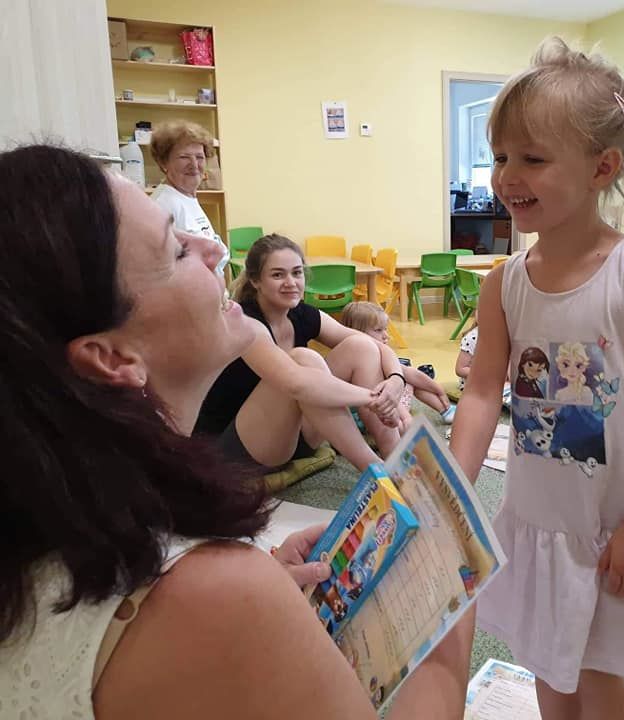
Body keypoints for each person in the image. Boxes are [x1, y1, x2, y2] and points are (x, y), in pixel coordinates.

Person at [0, 145, 474, 719]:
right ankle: (384, 471)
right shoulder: (211, 588)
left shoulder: (56, 526)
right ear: (112, 358)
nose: (213, 249)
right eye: (177, 250)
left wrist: (397, 374)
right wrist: (446, 601)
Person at [448, 38, 624, 720]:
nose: (508, 176)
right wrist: (452, 491)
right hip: (539, 516)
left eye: (532, 158)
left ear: (602, 167)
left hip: (610, 521)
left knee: (595, 667)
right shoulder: (504, 283)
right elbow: (482, 392)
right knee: (546, 660)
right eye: (501, 156)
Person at [195, 235, 406, 468]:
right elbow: (296, 383)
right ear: (255, 281)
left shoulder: (301, 313)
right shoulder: (244, 322)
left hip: (296, 438)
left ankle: (395, 457)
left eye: (297, 273)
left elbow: (374, 346)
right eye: (278, 275)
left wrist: (396, 379)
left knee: (361, 347)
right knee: (304, 360)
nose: (291, 282)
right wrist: (376, 399)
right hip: (236, 451)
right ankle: (376, 471)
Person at [341, 301, 457, 430]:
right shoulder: (366, 359)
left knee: (405, 378)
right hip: (368, 417)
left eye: (385, 329)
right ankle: (443, 410)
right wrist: (407, 418)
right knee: (407, 382)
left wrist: (439, 390)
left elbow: (410, 374)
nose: (386, 336)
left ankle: (446, 410)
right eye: (378, 330)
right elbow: (388, 391)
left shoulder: (363, 354)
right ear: (357, 333)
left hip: (370, 412)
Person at [149, 120, 228, 275]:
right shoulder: (162, 205)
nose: (194, 164)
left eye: (199, 157)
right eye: (184, 157)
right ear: (164, 162)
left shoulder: (186, 197)